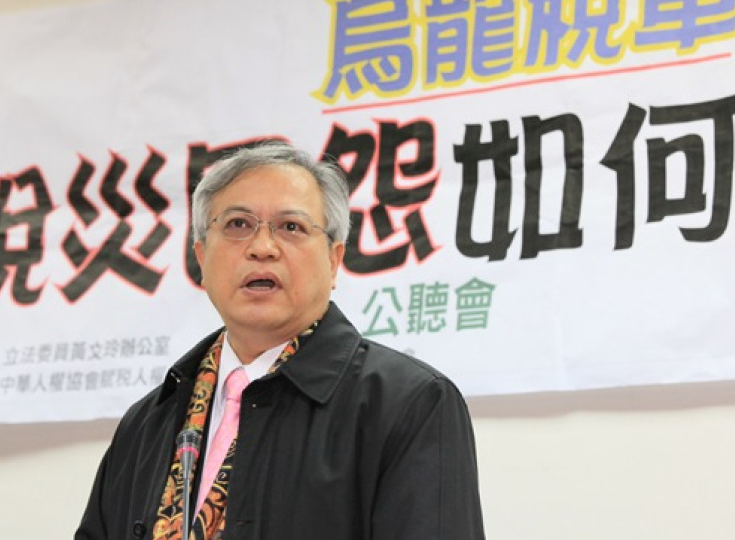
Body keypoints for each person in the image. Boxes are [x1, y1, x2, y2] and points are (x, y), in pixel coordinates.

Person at [75, 141, 485, 540]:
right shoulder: (148, 422)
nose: (262, 248)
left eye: (291, 227)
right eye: (237, 225)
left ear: (333, 260)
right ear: (201, 257)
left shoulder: (410, 403)